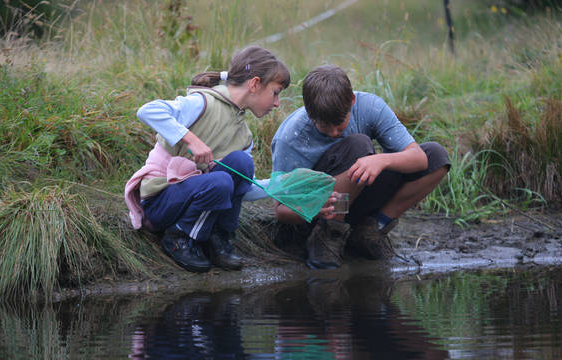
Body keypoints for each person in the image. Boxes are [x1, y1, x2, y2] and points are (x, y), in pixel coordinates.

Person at [125, 46, 290, 273]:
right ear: (254, 84)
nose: (277, 103)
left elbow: (243, 186)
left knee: (242, 163)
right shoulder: (202, 103)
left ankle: (218, 238)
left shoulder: (243, 135)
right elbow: (147, 111)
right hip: (160, 202)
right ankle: (178, 237)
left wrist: (285, 185)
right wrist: (191, 140)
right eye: (276, 92)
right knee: (220, 181)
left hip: (194, 196)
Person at [270, 65, 449, 269]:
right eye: (324, 127)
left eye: (340, 124)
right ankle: (328, 236)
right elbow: (280, 211)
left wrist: (382, 160)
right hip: (314, 214)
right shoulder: (291, 138)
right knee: (359, 145)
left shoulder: (369, 107)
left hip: (356, 198)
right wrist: (312, 207)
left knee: (436, 156)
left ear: (352, 101)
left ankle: (370, 230)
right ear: (309, 114)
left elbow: (419, 159)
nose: (334, 133)